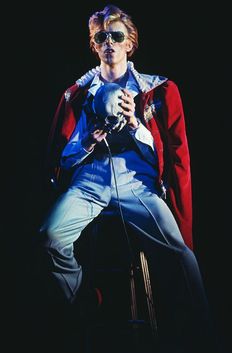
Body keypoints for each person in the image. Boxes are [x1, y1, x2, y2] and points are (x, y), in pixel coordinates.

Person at [38, 4, 218, 352]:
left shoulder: (156, 90)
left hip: (136, 180)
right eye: (100, 36)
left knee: (182, 255)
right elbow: (64, 156)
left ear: (129, 44)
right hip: (90, 180)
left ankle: (201, 337)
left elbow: (165, 156)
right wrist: (90, 139)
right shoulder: (78, 94)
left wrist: (135, 125)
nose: (108, 42)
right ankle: (83, 298)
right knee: (49, 237)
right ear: (94, 45)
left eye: (116, 35)